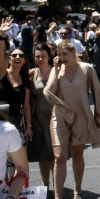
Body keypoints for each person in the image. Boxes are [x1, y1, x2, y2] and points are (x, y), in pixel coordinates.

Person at [43, 40, 100, 199]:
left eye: (65, 54)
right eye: (59, 54)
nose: (62, 57)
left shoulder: (87, 69)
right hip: (60, 116)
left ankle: (77, 189)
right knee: (59, 156)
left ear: (74, 53)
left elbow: (97, 92)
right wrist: (56, 71)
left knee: (77, 153)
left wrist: (98, 117)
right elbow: (48, 92)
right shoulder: (56, 70)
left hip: (81, 116)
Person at [0, 47, 33, 151]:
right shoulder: (1, 73)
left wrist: (29, 126)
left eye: (21, 56)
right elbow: (0, 56)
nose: (17, 57)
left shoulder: (25, 81)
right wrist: (2, 35)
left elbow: (27, 107)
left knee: (15, 159)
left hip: (15, 123)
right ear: (9, 59)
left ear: (24, 61)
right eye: (14, 55)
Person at [27, 43, 56, 189]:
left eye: (43, 56)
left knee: (55, 154)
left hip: (55, 117)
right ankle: (45, 184)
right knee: (43, 155)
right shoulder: (32, 73)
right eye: (37, 56)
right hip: (38, 118)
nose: (40, 59)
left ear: (49, 56)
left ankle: (58, 183)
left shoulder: (56, 72)